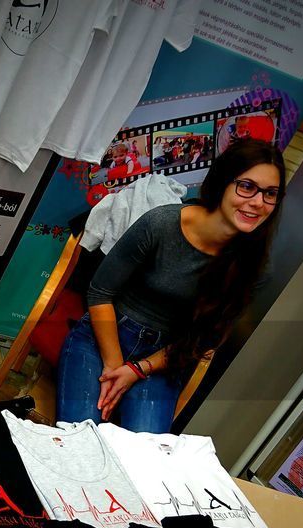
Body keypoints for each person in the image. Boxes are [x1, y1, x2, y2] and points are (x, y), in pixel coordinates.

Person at [55, 139, 285, 433]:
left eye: (270, 194)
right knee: (80, 439)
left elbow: (205, 339)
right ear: (222, 183)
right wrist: (115, 369)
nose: (257, 202)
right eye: (247, 187)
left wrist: (137, 370)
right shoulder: (162, 223)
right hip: (105, 335)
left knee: (145, 459)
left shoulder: (256, 267)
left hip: (163, 361)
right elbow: (100, 293)